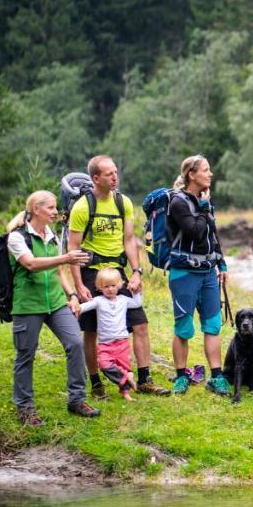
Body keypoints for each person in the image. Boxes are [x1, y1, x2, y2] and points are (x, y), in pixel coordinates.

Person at [68, 155, 168, 396]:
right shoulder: (83, 207)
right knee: (91, 331)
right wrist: (78, 285)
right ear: (95, 178)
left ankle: (144, 379)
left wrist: (136, 272)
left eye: (115, 172)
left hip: (118, 272)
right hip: (92, 272)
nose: (115, 177)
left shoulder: (123, 202)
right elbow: (72, 249)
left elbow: (129, 240)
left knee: (140, 323)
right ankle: (96, 382)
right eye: (109, 174)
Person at [6, 190, 99, 424]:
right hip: (28, 304)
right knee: (26, 355)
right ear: (36, 209)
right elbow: (30, 264)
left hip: (56, 302)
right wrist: (66, 258)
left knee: (75, 343)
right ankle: (25, 408)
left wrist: (73, 295)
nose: (56, 212)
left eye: (56, 207)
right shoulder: (17, 238)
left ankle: (77, 400)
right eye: (51, 208)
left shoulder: (51, 234)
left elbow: (58, 272)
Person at [167, 154, 231, 396]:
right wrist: (204, 208)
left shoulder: (205, 201)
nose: (210, 174)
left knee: (213, 325)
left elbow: (211, 235)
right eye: (206, 170)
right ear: (191, 175)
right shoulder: (178, 202)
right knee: (183, 327)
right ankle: (181, 376)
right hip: (184, 273)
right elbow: (194, 232)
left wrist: (221, 264)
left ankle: (216, 377)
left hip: (207, 273)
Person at [78, 268, 144, 401]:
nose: (110, 289)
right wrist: (75, 307)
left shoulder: (123, 300)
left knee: (123, 366)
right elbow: (84, 307)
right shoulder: (98, 300)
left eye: (113, 286)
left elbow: (137, 303)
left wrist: (136, 292)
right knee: (104, 365)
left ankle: (126, 393)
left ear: (119, 285)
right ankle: (127, 378)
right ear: (99, 287)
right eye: (106, 286)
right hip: (105, 344)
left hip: (122, 343)